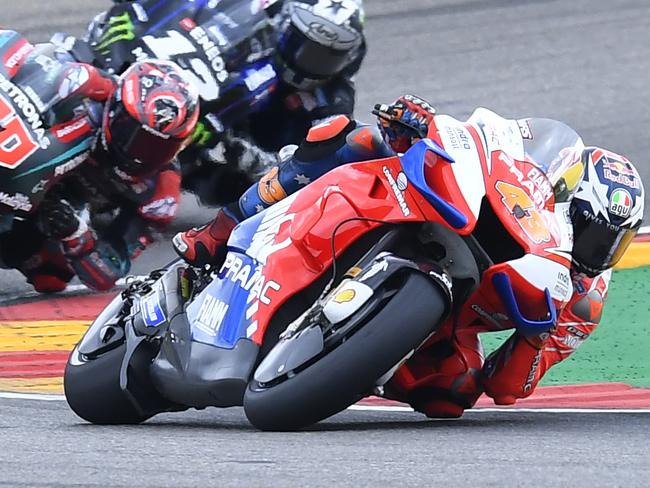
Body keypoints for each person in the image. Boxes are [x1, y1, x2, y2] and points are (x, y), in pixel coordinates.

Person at [172, 94, 645, 416]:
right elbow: (489, 142)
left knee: (452, 394)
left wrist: (535, 338)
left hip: (451, 318)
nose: (597, 253)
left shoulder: (583, 303)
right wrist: (421, 124)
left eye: (612, 245)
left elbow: (506, 389)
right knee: (347, 138)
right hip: (434, 212)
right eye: (592, 235)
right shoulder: (534, 183)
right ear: (568, 199)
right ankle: (221, 230)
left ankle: (348, 364)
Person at [63, 0, 367, 206]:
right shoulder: (262, 22)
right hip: (190, 73)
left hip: (259, 145)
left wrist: (265, 162)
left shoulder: (333, 96)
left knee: (235, 191)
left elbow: (328, 165)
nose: (313, 63)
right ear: (289, 27)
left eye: (328, 57)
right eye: (307, 50)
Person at [0, 29, 199, 292]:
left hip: (59, 212)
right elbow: (33, 62)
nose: (137, 151)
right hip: (28, 165)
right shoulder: (96, 88)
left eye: (157, 147)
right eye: (133, 133)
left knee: (52, 275)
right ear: (117, 109)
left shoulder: (161, 195)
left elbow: (112, 269)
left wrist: (76, 234)